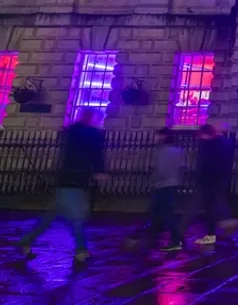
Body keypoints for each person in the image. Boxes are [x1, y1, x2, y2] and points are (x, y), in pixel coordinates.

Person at [17, 107, 107, 262]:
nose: (100, 123)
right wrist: (99, 171)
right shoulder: (90, 135)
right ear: (92, 119)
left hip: (65, 180)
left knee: (48, 219)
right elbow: (95, 154)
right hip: (75, 181)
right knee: (78, 218)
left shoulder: (72, 132)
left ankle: (26, 242)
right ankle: (81, 251)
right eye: (99, 119)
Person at [127, 127, 185, 251]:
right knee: (156, 212)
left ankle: (175, 240)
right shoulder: (177, 150)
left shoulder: (163, 151)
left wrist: (154, 175)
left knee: (163, 213)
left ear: (163, 136)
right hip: (173, 184)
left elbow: (162, 170)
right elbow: (179, 167)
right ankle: (151, 238)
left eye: (158, 135)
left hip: (162, 185)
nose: (156, 138)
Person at [192, 123, 236, 246]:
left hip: (209, 180)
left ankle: (211, 235)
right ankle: (226, 225)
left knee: (209, 209)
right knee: (217, 205)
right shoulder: (223, 144)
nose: (200, 138)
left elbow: (204, 164)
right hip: (219, 179)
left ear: (205, 134)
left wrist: (200, 177)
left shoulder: (209, 146)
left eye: (201, 135)